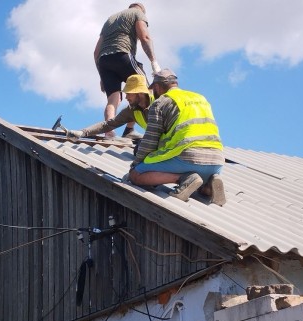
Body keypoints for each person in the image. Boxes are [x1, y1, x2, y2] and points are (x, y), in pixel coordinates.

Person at [126, 69, 226, 206]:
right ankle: (209, 185)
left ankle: (183, 178)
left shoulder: (160, 102)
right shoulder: (200, 98)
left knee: (135, 175)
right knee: (199, 179)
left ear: (156, 87)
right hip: (217, 161)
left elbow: (150, 140)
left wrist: (136, 164)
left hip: (188, 157)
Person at [94, 3, 160, 139]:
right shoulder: (138, 14)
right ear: (142, 11)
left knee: (113, 100)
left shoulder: (110, 19)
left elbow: (96, 52)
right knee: (144, 90)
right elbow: (144, 37)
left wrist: (102, 76)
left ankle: (109, 132)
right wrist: (154, 62)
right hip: (122, 54)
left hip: (104, 61)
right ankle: (129, 130)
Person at [68, 74, 154, 153]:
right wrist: (82, 132)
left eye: (129, 94)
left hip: (164, 142)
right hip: (156, 141)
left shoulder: (159, 104)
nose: (126, 97)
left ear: (140, 93)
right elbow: (108, 124)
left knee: (141, 149)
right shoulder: (131, 110)